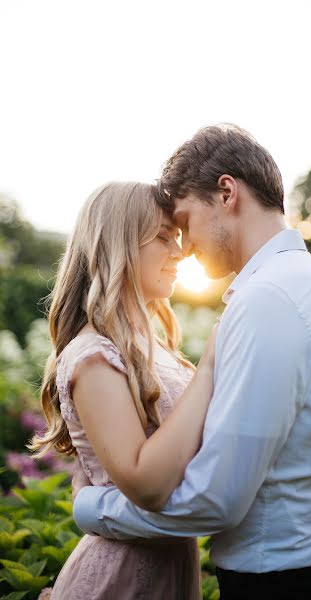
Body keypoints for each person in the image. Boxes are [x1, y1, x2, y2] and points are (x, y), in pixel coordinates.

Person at [73, 125, 311, 600]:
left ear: (227, 193)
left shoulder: (267, 301)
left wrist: (91, 507)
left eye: (185, 222)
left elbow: (216, 501)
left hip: (286, 584)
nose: (184, 246)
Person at [30, 181, 217, 600]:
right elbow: (142, 480)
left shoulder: (153, 349)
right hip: (120, 580)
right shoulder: (93, 355)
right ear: (119, 246)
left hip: (172, 569)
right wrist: (208, 369)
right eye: (164, 238)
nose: (180, 251)